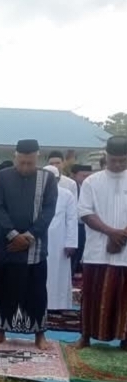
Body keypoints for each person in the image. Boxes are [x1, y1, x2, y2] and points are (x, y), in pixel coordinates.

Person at [0, 140, 58, 349]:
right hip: (7, 246)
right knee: (4, 290)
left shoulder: (48, 178)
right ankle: (0, 332)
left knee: (36, 292)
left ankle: (39, 335)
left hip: (35, 248)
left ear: (38, 158)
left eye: (30, 163)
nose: (25, 167)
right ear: (15, 157)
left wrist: (28, 237)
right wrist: (13, 235)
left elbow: (49, 210)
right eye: (22, 162)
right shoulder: (2, 177)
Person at [76, 136, 127, 350]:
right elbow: (85, 213)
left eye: (123, 160)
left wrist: (121, 237)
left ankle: (124, 339)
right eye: (114, 160)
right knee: (92, 294)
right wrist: (111, 233)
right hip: (97, 250)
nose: (118, 164)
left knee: (124, 299)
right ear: (106, 156)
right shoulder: (92, 181)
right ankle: (86, 336)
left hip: (125, 251)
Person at [43, 165, 78, 309]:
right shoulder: (34, 193)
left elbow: (71, 219)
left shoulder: (66, 195)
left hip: (60, 242)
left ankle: (57, 305)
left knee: (58, 273)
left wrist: (71, 243)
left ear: (58, 179)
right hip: (39, 239)